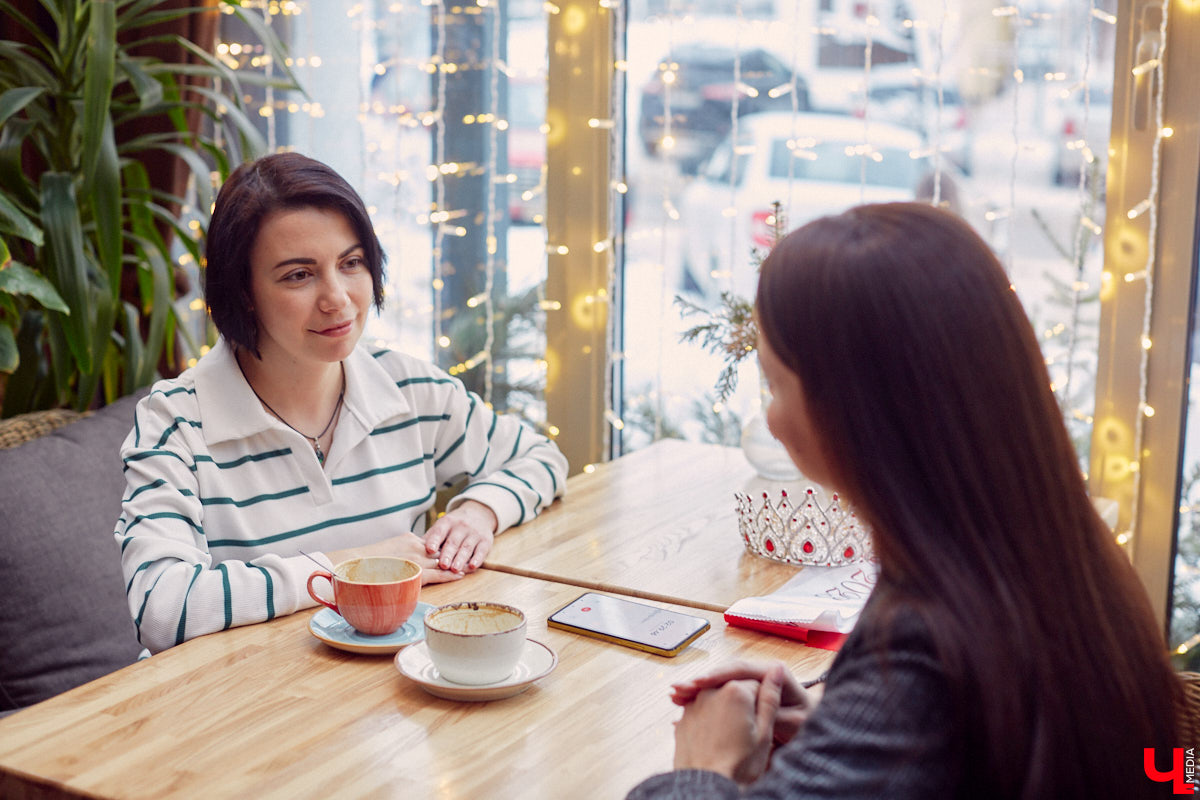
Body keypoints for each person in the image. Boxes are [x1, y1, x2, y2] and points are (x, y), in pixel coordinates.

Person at [627, 202, 1180, 799]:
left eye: (774, 384)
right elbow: (1172, 771)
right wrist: (838, 732)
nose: (771, 417)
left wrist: (701, 770)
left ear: (856, 416)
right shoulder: (1077, 555)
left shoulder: (923, 649)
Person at [114, 153, 567, 654]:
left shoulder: (409, 388)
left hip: (386, 703)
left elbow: (540, 457)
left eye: (351, 264)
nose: (338, 299)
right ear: (242, 292)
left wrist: (479, 512)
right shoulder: (175, 421)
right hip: (237, 711)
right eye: (298, 275)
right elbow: (164, 610)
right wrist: (355, 567)